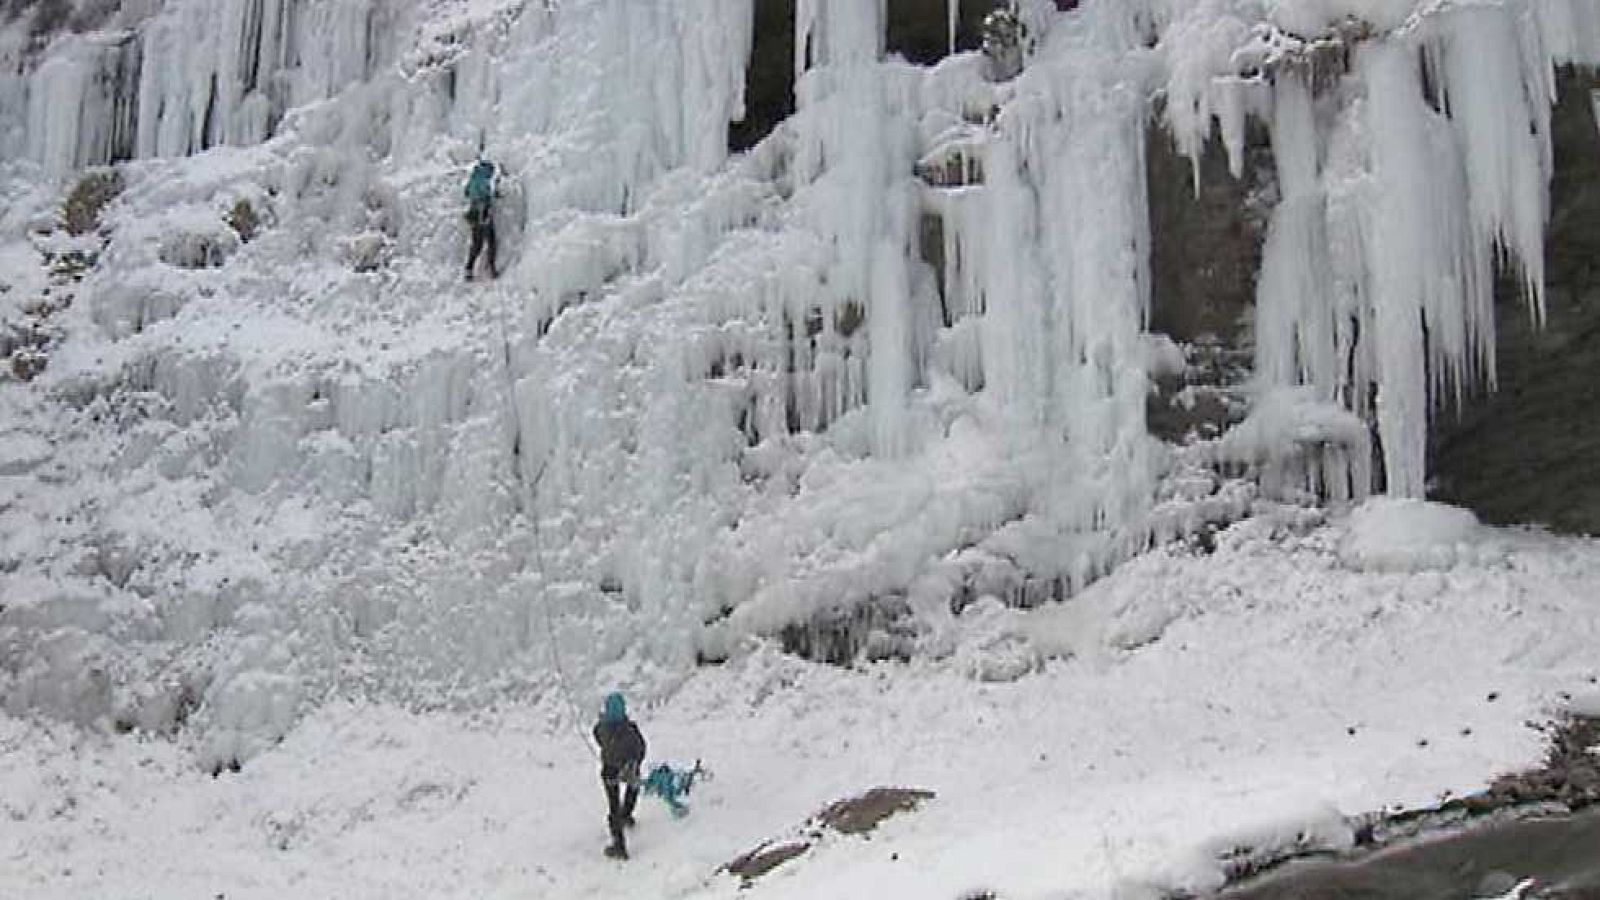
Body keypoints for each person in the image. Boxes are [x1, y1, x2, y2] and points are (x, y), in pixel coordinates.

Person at [593, 691, 646, 860]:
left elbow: (597, 735)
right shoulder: (630, 730)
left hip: (610, 771)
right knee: (633, 789)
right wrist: (634, 763)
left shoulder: (602, 729)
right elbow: (641, 748)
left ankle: (619, 843)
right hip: (629, 769)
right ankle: (627, 814)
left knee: (613, 805)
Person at [463, 158, 498, 280]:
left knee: (476, 243)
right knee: (491, 241)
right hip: (483, 212)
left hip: (473, 212)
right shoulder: (483, 179)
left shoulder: (473, 178)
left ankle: (469, 268)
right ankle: (492, 268)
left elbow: (466, 192)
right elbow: (488, 193)